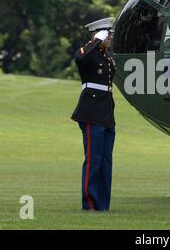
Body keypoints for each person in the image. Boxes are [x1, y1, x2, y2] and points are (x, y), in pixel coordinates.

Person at [71, 17, 116, 212]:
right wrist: (95, 41)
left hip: (106, 113)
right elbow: (79, 58)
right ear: (98, 35)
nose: (109, 39)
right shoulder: (88, 55)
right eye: (107, 35)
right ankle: (89, 203)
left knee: (106, 161)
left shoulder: (106, 58)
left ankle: (103, 204)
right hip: (90, 113)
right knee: (93, 160)